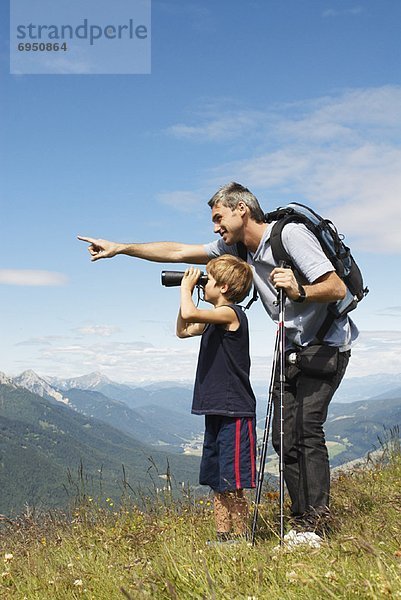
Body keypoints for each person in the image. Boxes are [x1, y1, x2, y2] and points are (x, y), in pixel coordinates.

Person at [78, 181, 358, 544]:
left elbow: (335, 287)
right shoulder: (238, 248)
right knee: (284, 438)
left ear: (242, 209)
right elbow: (178, 252)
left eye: (218, 217)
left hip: (326, 346)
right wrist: (121, 248)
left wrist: (300, 289)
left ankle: (315, 526)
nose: (215, 227)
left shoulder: (290, 236)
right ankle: (303, 522)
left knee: (304, 431)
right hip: (291, 350)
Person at [176, 255, 256, 542]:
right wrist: (184, 296)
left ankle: (243, 538)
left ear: (222, 287)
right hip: (216, 408)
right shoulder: (213, 320)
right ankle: (223, 538)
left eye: (207, 280)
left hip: (235, 410)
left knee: (233, 481)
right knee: (217, 480)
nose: (202, 284)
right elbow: (183, 330)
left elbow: (193, 314)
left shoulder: (231, 314)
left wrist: (186, 290)